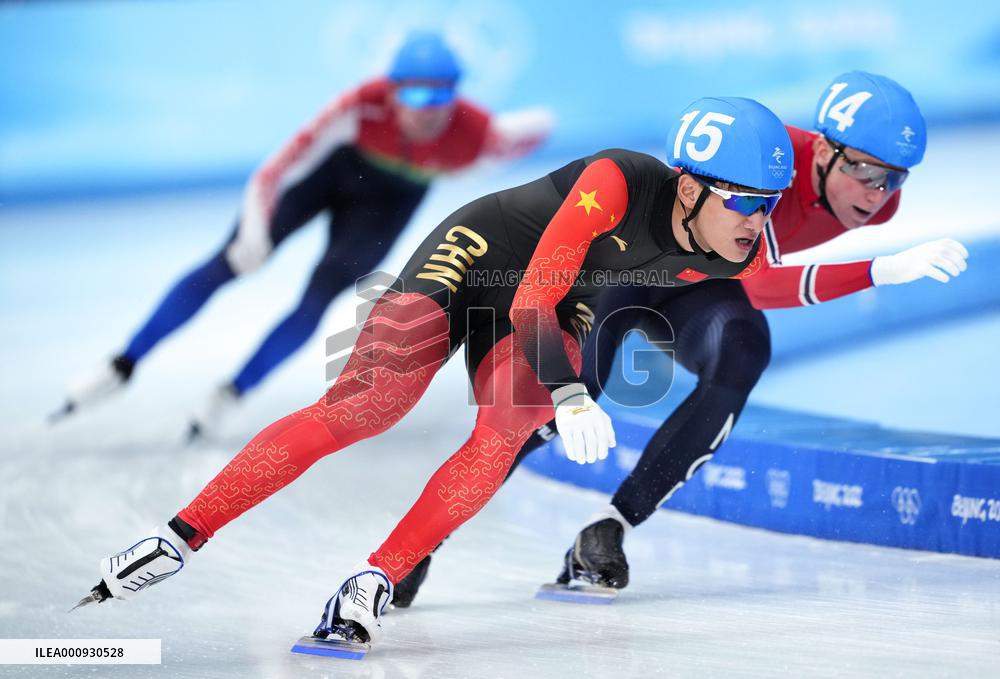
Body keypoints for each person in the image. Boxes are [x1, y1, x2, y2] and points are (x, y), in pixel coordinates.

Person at [79, 96, 793, 647]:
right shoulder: (614, 181)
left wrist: (888, 268)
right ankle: (178, 536)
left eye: (771, 206)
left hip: (557, 301)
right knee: (366, 405)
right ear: (691, 187)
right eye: (746, 201)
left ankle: (375, 579)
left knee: (508, 428)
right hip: (481, 257)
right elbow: (532, 295)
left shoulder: (738, 248)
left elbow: (799, 282)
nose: (757, 221)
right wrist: (573, 394)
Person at [389, 71, 969, 606]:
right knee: (559, 400)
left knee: (743, 349)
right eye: (864, 171)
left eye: (893, 178)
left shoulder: (880, 208)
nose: (876, 192)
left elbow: (752, 287)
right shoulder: (768, 159)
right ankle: (419, 545)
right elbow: (764, 286)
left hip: (697, 286)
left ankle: (608, 530)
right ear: (820, 150)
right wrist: (878, 271)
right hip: (622, 275)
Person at [51, 31, 552, 440]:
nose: (428, 109)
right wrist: (252, 233)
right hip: (330, 175)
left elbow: (538, 127)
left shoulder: (477, 133)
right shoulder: (361, 106)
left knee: (316, 301)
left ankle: (231, 394)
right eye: (415, 94)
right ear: (391, 90)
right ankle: (121, 365)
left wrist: (473, 161)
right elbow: (274, 172)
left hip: (386, 207)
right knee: (232, 261)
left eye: (442, 94)